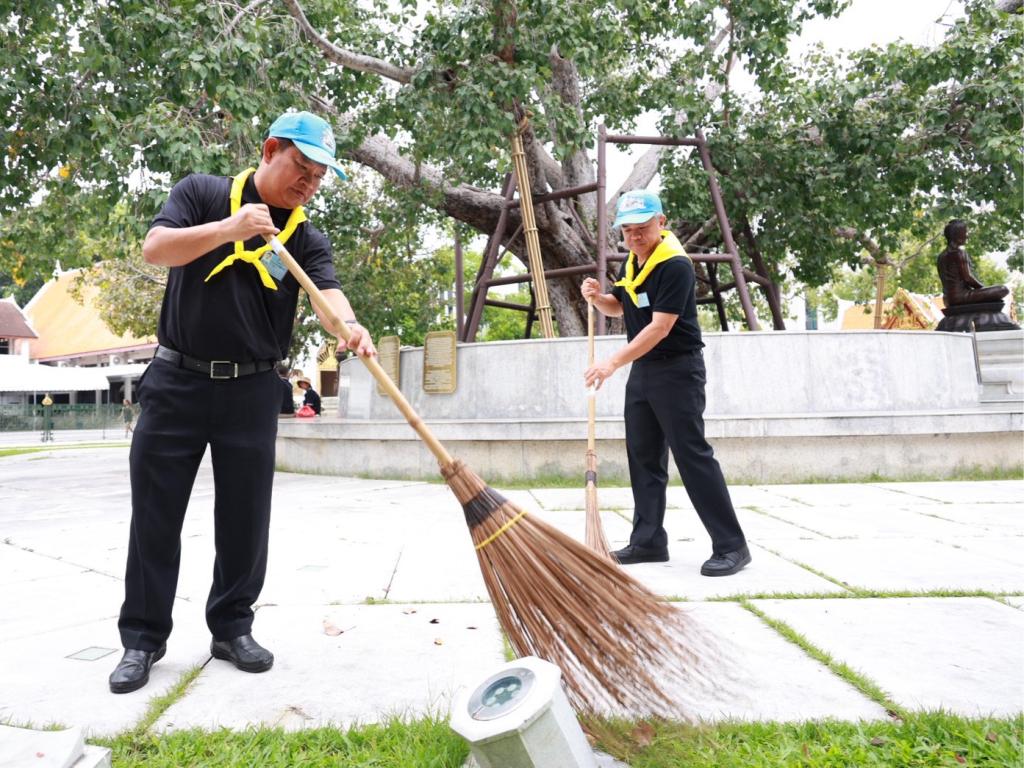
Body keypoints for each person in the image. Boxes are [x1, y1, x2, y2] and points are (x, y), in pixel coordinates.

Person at [109, 111, 376, 694]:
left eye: (318, 178)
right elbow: (157, 248)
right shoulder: (202, 193)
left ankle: (232, 627)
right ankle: (143, 639)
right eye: (301, 169)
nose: (308, 185)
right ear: (270, 149)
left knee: (245, 517)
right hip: (176, 380)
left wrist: (349, 325)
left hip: (253, 390)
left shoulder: (304, 237)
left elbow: (329, 292)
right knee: (156, 515)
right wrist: (230, 228)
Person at [580, 189, 750, 577]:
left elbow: (660, 327)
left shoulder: (674, 265)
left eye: (642, 229)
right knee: (643, 455)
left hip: (677, 370)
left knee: (692, 456)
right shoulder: (634, 262)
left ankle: (732, 545)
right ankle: (649, 541)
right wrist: (597, 298)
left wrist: (610, 364)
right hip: (644, 371)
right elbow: (621, 306)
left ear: (662, 222)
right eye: (627, 231)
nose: (635, 237)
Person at [936, 220, 1009, 306]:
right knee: (1003, 289)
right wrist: (984, 289)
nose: (967, 236)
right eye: (965, 232)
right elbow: (968, 278)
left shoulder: (941, 256)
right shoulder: (959, 253)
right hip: (960, 296)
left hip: (947, 299)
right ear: (957, 235)